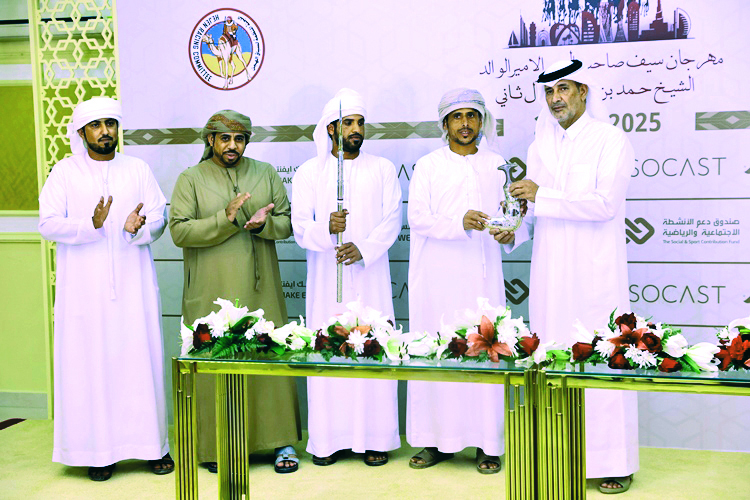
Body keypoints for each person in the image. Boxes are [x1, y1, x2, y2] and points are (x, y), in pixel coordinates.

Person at [509, 59, 639, 494]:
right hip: (550, 274)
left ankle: (613, 462)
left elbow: (603, 204)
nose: (555, 99)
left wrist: (542, 195)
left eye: (563, 89)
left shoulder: (610, 139)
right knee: (552, 360)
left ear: (583, 92)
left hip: (595, 275)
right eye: (549, 91)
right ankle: (557, 457)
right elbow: (535, 213)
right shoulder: (539, 145)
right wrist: (511, 230)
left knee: (601, 359)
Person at [38, 97, 172, 481]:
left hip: (133, 287)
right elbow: (47, 224)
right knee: (92, 366)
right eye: (96, 125)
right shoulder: (64, 173)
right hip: (85, 291)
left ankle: (152, 448)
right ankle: (99, 452)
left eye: (110, 123)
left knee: (139, 362)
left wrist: (138, 228)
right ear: (81, 132)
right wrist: (90, 225)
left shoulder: (137, 169)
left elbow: (159, 216)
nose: (105, 131)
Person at [169, 110, 302, 474]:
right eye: (225, 138)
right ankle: (216, 446)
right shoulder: (191, 179)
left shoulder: (265, 173)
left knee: (268, 357)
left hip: (260, 290)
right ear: (210, 140)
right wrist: (225, 219)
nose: (232, 146)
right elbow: (179, 231)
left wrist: (262, 225)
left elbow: (286, 222)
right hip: (210, 290)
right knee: (216, 362)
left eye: (239, 139)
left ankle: (280, 441)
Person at [406, 88, 516, 474]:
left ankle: (488, 444)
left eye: (472, 115)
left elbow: (513, 216)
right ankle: (434, 441)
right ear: (445, 124)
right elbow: (417, 218)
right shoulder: (428, 165)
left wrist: (510, 232)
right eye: (457, 117)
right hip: (437, 279)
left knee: (484, 352)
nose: (465, 124)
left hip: (482, 279)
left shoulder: (497, 164)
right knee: (438, 352)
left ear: (482, 121)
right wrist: (459, 222)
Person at [292, 88, 402, 467]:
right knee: (329, 349)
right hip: (328, 280)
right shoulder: (309, 172)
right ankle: (329, 440)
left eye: (360, 123)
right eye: (348, 123)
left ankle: (376, 438)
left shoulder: (382, 169)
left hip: (370, 277)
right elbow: (300, 226)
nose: (356, 129)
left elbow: (392, 219)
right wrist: (327, 229)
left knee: (373, 348)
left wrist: (364, 249)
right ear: (330, 128)